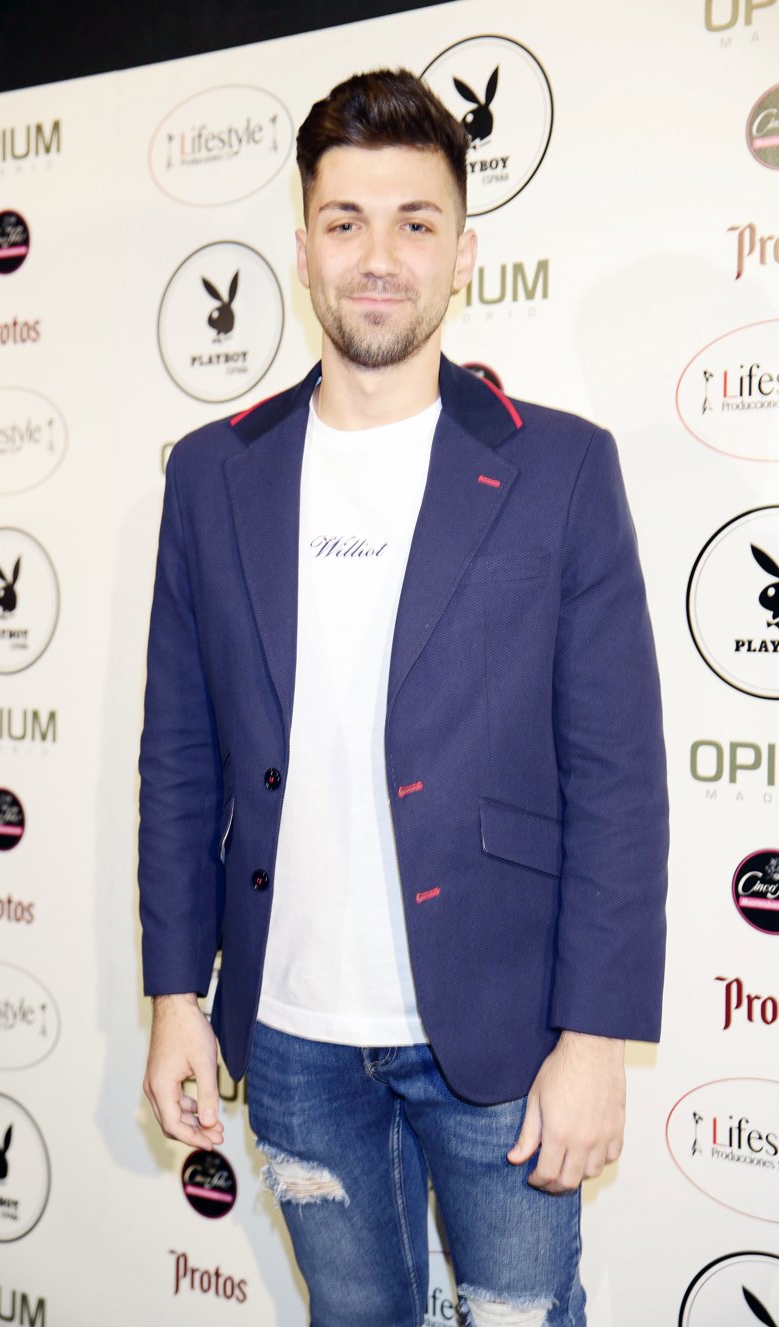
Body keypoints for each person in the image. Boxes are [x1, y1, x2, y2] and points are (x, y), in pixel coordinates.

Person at [139, 68, 668, 1327]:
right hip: (288, 1035)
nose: (378, 257)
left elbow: (617, 777)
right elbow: (180, 756)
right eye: (345, 222)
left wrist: (594, 1036)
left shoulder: (559, 467)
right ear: (303, 249)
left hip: (498, 1038)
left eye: (414, 222)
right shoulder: (212, 475)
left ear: (462, 253)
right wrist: (173, 996)